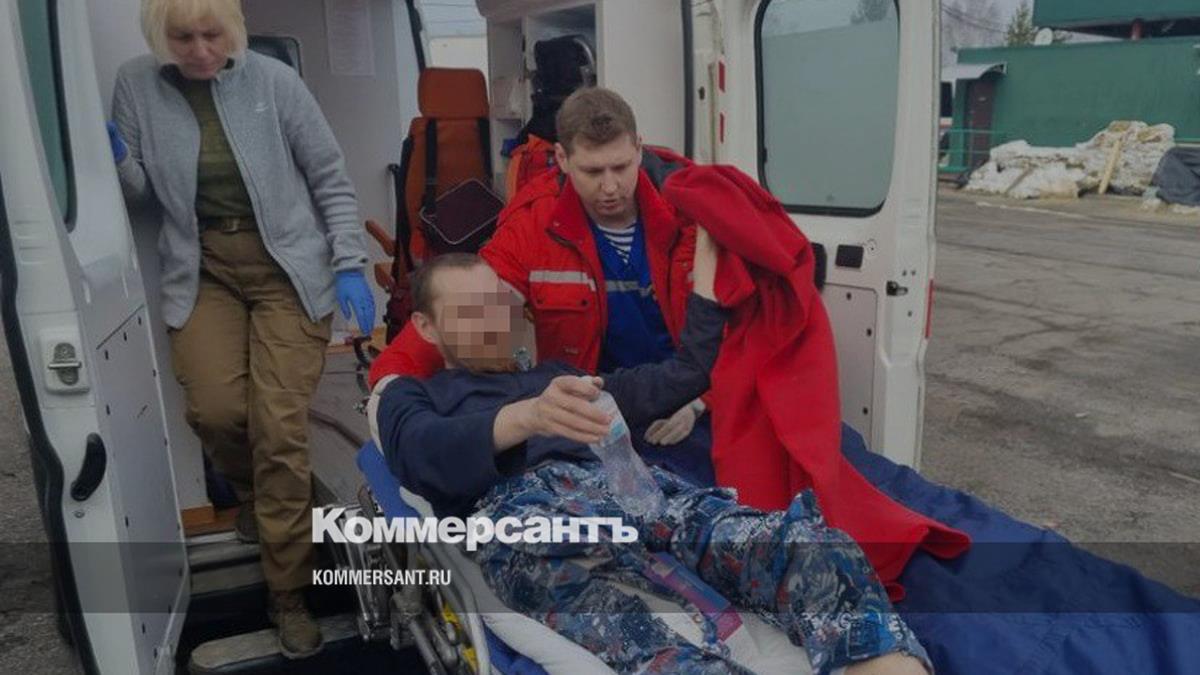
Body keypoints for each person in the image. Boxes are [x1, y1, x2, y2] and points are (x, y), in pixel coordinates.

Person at [371, 243, 930, 675]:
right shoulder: (411, 396)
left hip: (630, 489)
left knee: (811, 549)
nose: (493, 320)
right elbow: (419, 451)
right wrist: (528, 418)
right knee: (647, 642)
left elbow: (677, 376)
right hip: (529, 518)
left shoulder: (557, 377)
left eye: (497, 303)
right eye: (470, 311)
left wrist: (707, 283)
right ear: (425, 326)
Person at [107, 0, 374, 658]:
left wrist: (349, 264)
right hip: (204, 269)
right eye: (183, 37)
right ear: (159, 36)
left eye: (213, 34)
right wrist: (114, 158)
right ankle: (258, 497)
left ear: (233, 30)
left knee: (279, 427)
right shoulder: (136, 85)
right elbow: (140, 195)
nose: (200, 50)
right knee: (218, 410)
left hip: (289, 270)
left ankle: (289, 592)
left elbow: (330, 179)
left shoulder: (276, 83)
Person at [371, 86, 712, 482]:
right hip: (588, 407)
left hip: (683, 397)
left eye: (620, 168)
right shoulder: (532, 225)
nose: (610, 187)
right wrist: (389, 388)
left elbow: (741, 321)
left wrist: (701, 400)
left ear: (638, 148)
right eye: (592, 172)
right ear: (562, 159)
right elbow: (462, 304)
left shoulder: (699, 213)